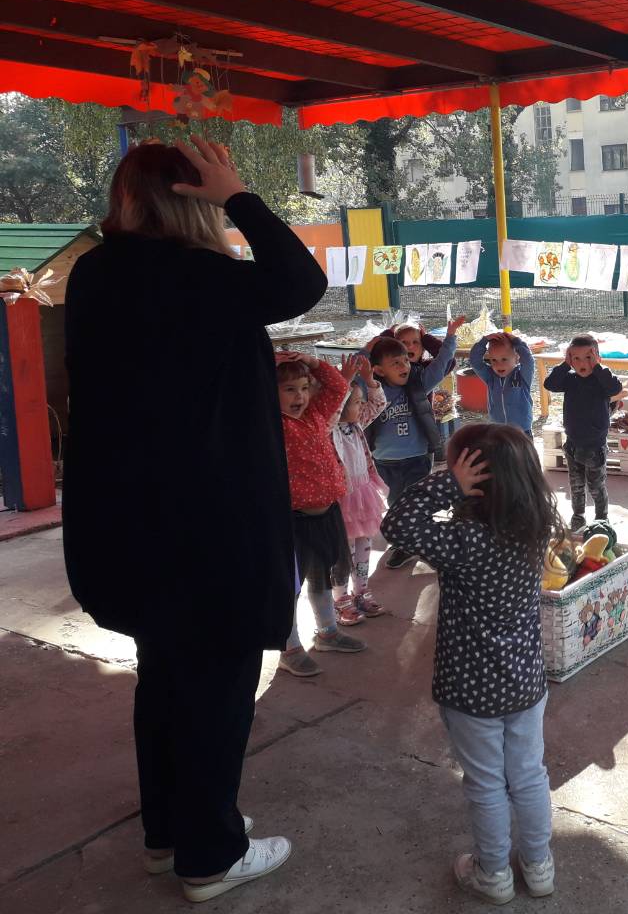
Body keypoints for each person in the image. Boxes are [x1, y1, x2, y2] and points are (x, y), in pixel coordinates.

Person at [63, 138, 311, 901]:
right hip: (211, 529)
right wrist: (237, 195)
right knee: (216, 691)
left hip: (127, 524)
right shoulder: (203, 279)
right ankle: (210, 854)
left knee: (166, 678)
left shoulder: (95, 274)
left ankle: (168, 832)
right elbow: (300, 281)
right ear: (191, 201)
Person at [381, 425, 561, 905]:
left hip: (471, 689)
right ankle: (539, 867)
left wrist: (446, 484)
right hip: (525, 681)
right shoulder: (535, 525)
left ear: (475, 480)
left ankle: (494, 874)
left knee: (486, 783)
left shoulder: (463, 540)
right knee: (529, 774)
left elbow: (397, 524)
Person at [275, 352, 368, 676]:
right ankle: (289, 648)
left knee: (322, 577)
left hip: (326, 515)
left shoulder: (316, 413)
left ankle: (327, 632)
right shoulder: (272, 425)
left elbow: (337, 387)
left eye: (304, 388)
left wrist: (313, 363)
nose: (299, 396)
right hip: (293, 521)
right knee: (290, 587)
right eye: (289, 389)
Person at [366, 316, 463, 570]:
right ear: (379, 370)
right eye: (396, 362)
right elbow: (354, 373)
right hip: (384, 460)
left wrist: (450, 337)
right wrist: (372, 346)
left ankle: (410, 545)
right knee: (396, 504)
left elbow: (442, 363)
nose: (404, 366)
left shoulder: (419, 382)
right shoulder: (372, 388)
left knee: (417, 504)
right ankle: (407, 541)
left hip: (417, 458)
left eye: (406, 361)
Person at [541, 335, 624, 531]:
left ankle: (601, 518)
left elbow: (615, 388)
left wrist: (598, 367)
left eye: (588, 358)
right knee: (576, 485)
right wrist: (564, 365)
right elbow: (549, 384)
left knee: (596, 486)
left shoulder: (601, 379)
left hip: (595, 446)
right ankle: (578, 516)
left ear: (597, 358)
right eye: (575, 358)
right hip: (572, 443)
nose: (581, 363)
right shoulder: (570, 379)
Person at [333, 361, 390, 622]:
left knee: (363, 545)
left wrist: (370, 382)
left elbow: (378, 405)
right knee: (343, 552)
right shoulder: (327, 429)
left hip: (362, 494)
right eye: (357, 402)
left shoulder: (356, 424)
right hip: (341, 499)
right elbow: (332, 411)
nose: (362, 406)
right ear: (341, 404)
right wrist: (342, 385)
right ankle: (340, 597)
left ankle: (361, 591)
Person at [378, 322, 454, 462]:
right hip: (385, 454)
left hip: (419, 450)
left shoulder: (425, 371)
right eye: (403, 342)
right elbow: (372, 359)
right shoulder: (382, 373)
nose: (410, 346)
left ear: (423, 348)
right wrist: (388, 336)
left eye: (415, 342)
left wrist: (426, 339)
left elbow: (448, 361)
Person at [469, 332, 536, 436]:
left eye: (504, 359)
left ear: (517, 358)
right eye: (493, 360)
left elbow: (528, 360)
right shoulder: (490, 376)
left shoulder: (522, 375)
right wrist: (484, 341)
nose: (499, 365)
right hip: (497, 429)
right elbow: (474, 361)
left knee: (523, 448)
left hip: (521, 429)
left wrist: (517, 341)